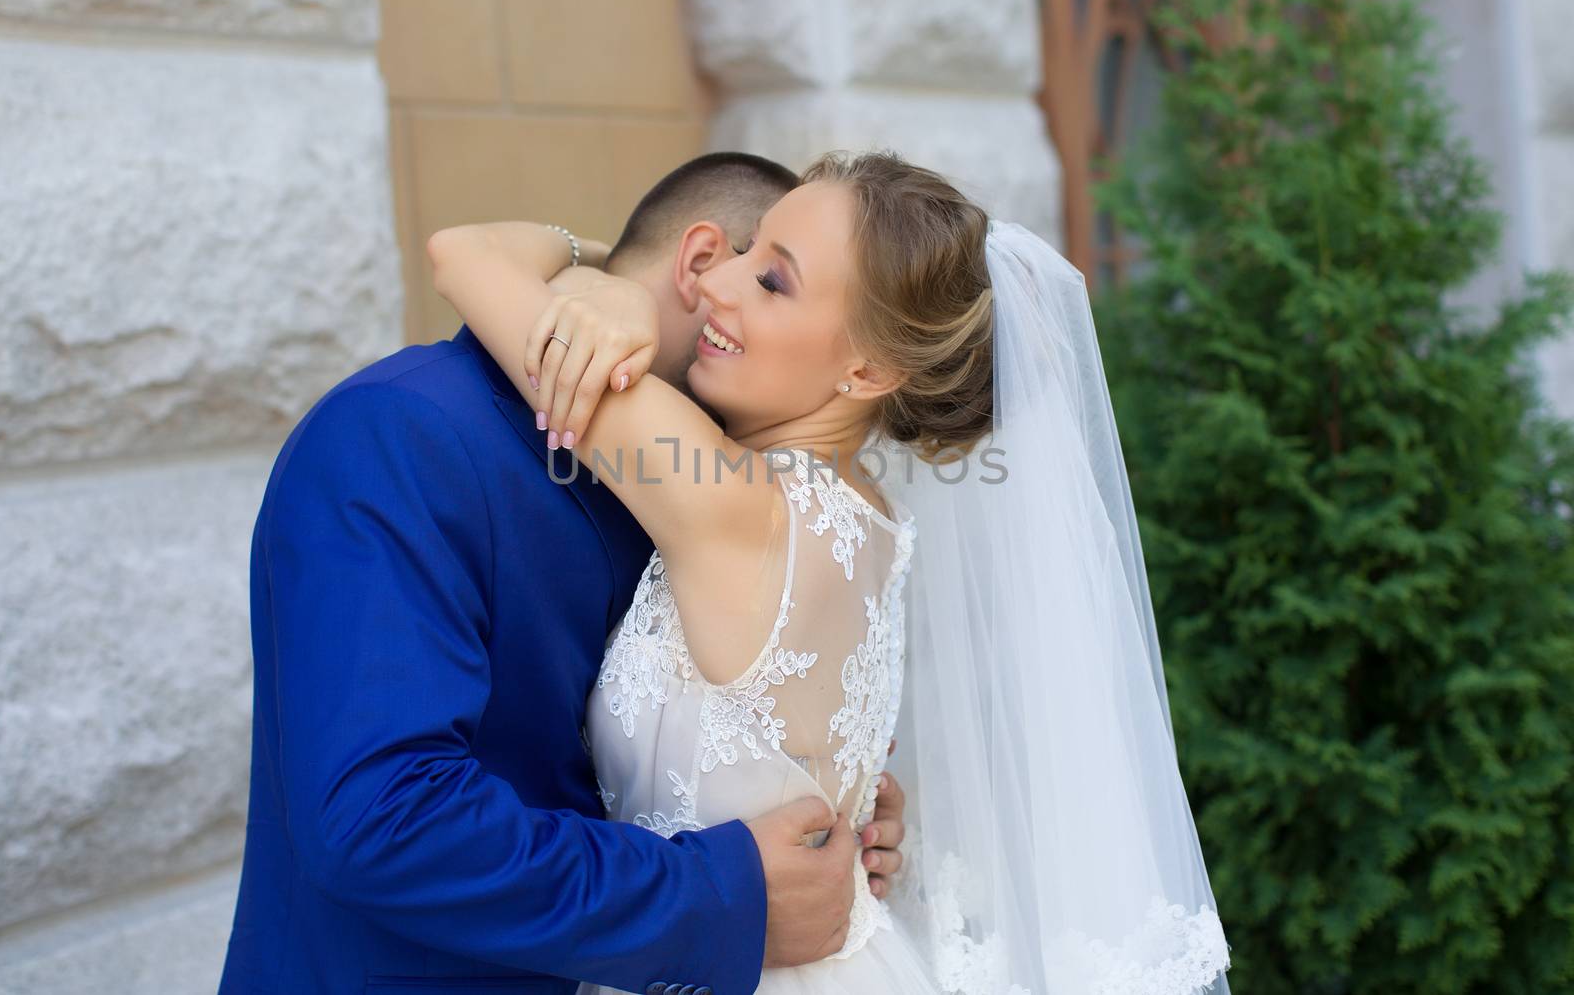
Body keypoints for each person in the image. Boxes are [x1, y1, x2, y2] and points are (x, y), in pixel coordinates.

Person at [429, 149, 1236, 995]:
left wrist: (608, 272)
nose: (716, 285)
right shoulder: (875, 515)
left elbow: (464, 254)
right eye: (744, 252)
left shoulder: (731, 502)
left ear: (866, 371)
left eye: (773, 281)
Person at [217, 152, 911, 995]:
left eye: (771, 279)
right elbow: (380, 820)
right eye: (744, 264)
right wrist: (730, 892)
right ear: (699, 265)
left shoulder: (696, 483)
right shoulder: (398, 435)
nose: (737, 288)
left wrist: (821, 788)